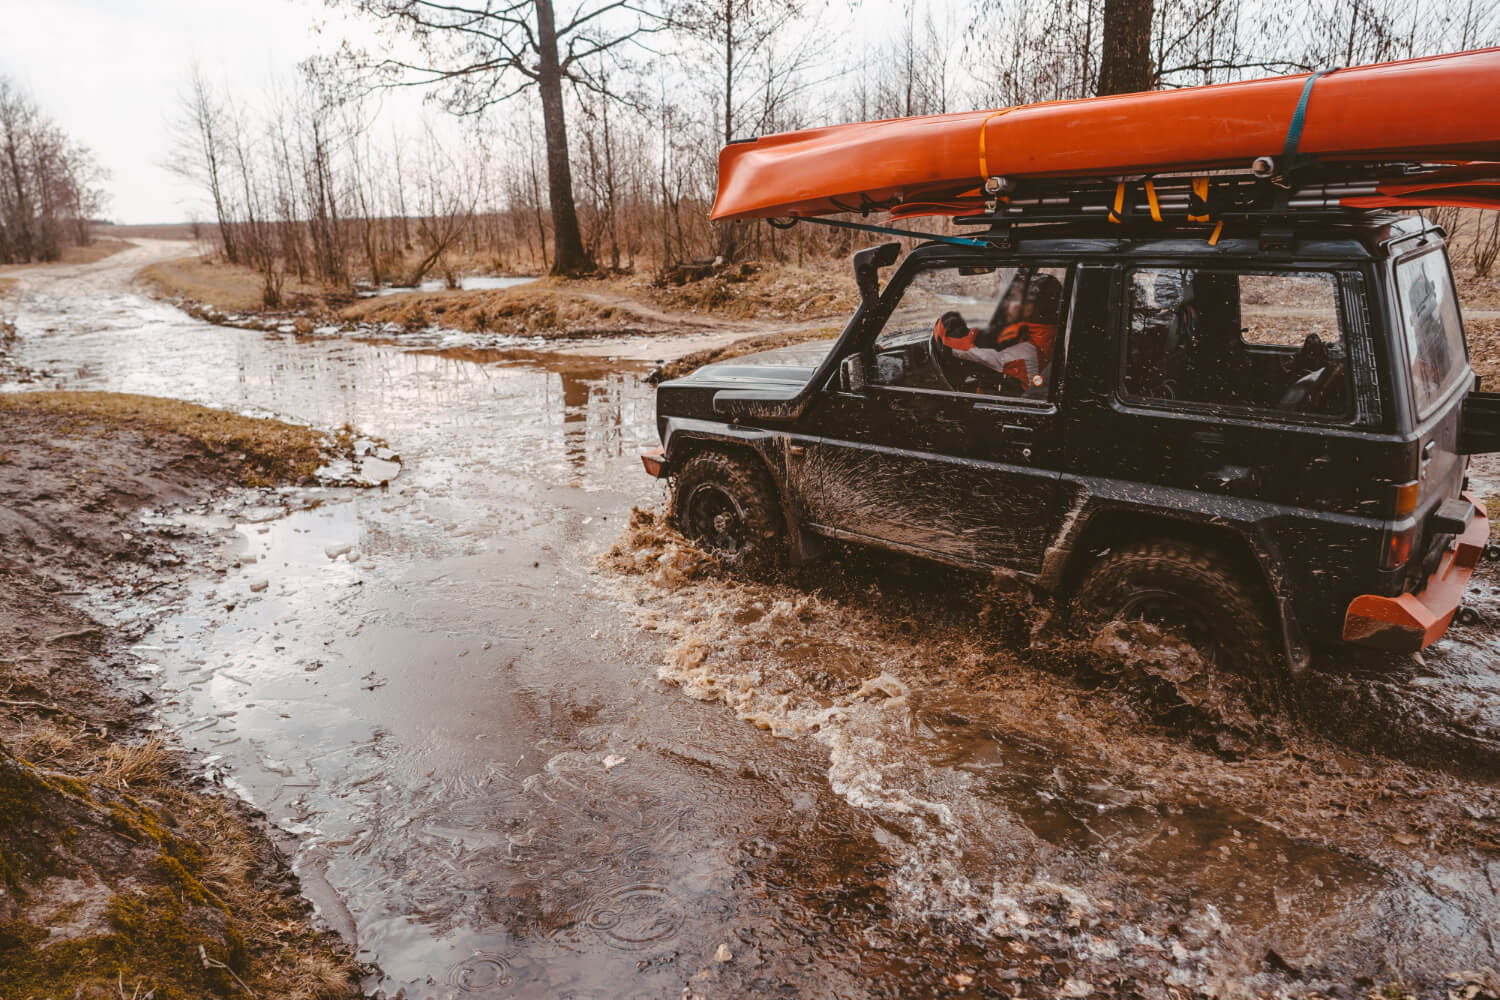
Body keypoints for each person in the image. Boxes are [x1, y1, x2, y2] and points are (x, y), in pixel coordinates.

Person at [931, 271, 1062, 394]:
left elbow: (954, 344)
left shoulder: (1023, 353)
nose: (1005, 303)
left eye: (1012, 298)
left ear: (1029, 308)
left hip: (1016, 409)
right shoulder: (1056, 338)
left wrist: (946, 323)